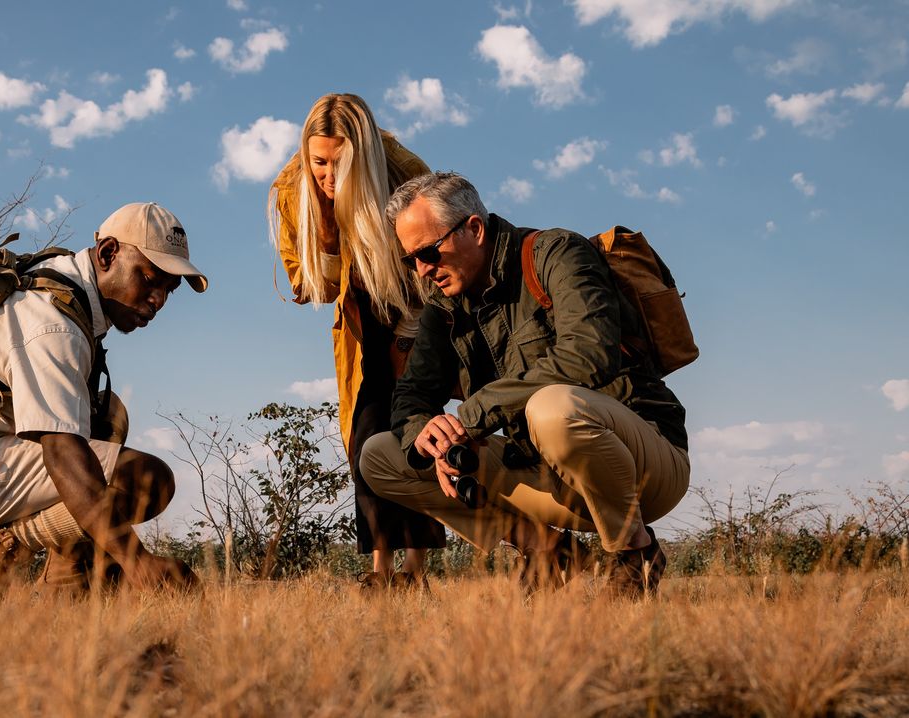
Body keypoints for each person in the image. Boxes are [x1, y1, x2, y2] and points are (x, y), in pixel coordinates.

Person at [359, 172, 690, 597]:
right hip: (543, 473)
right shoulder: (443, 306)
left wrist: (472, 417)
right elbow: (411, 394)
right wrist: (427, 432)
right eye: (411, 260)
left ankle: (634, 553)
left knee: (552, 408)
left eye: (428, 252)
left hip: (643, 470)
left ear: (474, 229)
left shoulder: (556, 253)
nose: (423, 271)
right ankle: (548, 550)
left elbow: (588, 354)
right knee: (381, 455)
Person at [0, 202, 208, 591]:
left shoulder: (66, 288)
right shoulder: (51, 324)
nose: (158, 300)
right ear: (109, 253)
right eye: (149, 279)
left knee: (108, 416)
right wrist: (137, 561)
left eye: (168, 290)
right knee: (146, 479)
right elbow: (62, 454)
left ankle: (69, 579)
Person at [269, 93, 445, 586]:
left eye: (339, 162)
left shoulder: (406, 172)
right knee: (366, 434)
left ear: (364, 154)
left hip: (414, 309)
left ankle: (416, 569)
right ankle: (380, 569)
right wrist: (324, 227)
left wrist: (418, 329)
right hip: (359, 315)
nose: (326, 173)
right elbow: (314, 289)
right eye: (318, 161)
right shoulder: (292, 189)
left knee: (414, 426)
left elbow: (437, 257)